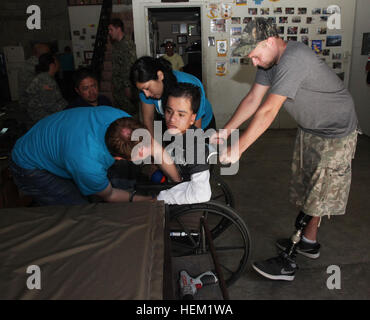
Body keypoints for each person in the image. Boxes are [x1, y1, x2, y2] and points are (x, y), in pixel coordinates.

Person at [211, 18, 358, 281]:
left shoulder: (294, 57)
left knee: (318, 194)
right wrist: (227, 130)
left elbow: (268, 110)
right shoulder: (270, 61)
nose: (254, 62)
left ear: (268, 42)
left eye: (254, 56)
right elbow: (254, 99)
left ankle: (288, 263)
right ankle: (309, 244)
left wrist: (239, 148)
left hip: (336, 132)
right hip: (311, 129)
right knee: (307, 189)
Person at [9, 106, 181, 206]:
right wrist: (150, 201)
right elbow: (110, 195)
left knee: (116, 182)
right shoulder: (88, 165)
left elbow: (158, 150)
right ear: (119, 159)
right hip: (31, 167)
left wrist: (178, 183)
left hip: (55, 140)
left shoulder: (123, 122)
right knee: (80, 211)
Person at [155, 82, 213, 204]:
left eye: (181, 114)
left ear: (192, 118)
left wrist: (162, 198)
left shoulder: (194, 145)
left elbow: (202, 194)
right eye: (168, 111)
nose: (171, 119)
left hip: (185, 190)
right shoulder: (176, 131)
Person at [130, 56, 215, 138]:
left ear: (160, 76)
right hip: (174, 125)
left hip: (202, 126)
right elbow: (148, 119)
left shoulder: (189, 85)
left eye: (147, 88)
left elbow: (196, 126)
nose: (146, 95)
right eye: (142, 90)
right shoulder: (145, 91)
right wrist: (152, 148)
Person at [25, 53, 67, 126]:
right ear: (52, 65)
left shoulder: (42, 76)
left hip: (38, 115)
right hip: (42, 118)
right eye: (57, 62)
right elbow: (51, 105)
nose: (59, 64)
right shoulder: (47, 81)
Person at [108, 18, 138, 116]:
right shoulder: (116, 45)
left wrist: (128, 87)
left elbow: (130, 68)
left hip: (125, 88)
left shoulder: (127, 45)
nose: (109, 33)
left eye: (111, 30)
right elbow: (117, 66)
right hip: (118, 87)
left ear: (118, 29)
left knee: (129, 114)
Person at [17, 43, 50, 111]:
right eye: (48, 53)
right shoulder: (36, 64)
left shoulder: (28, 62)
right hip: (31, 103)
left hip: (28, 99)